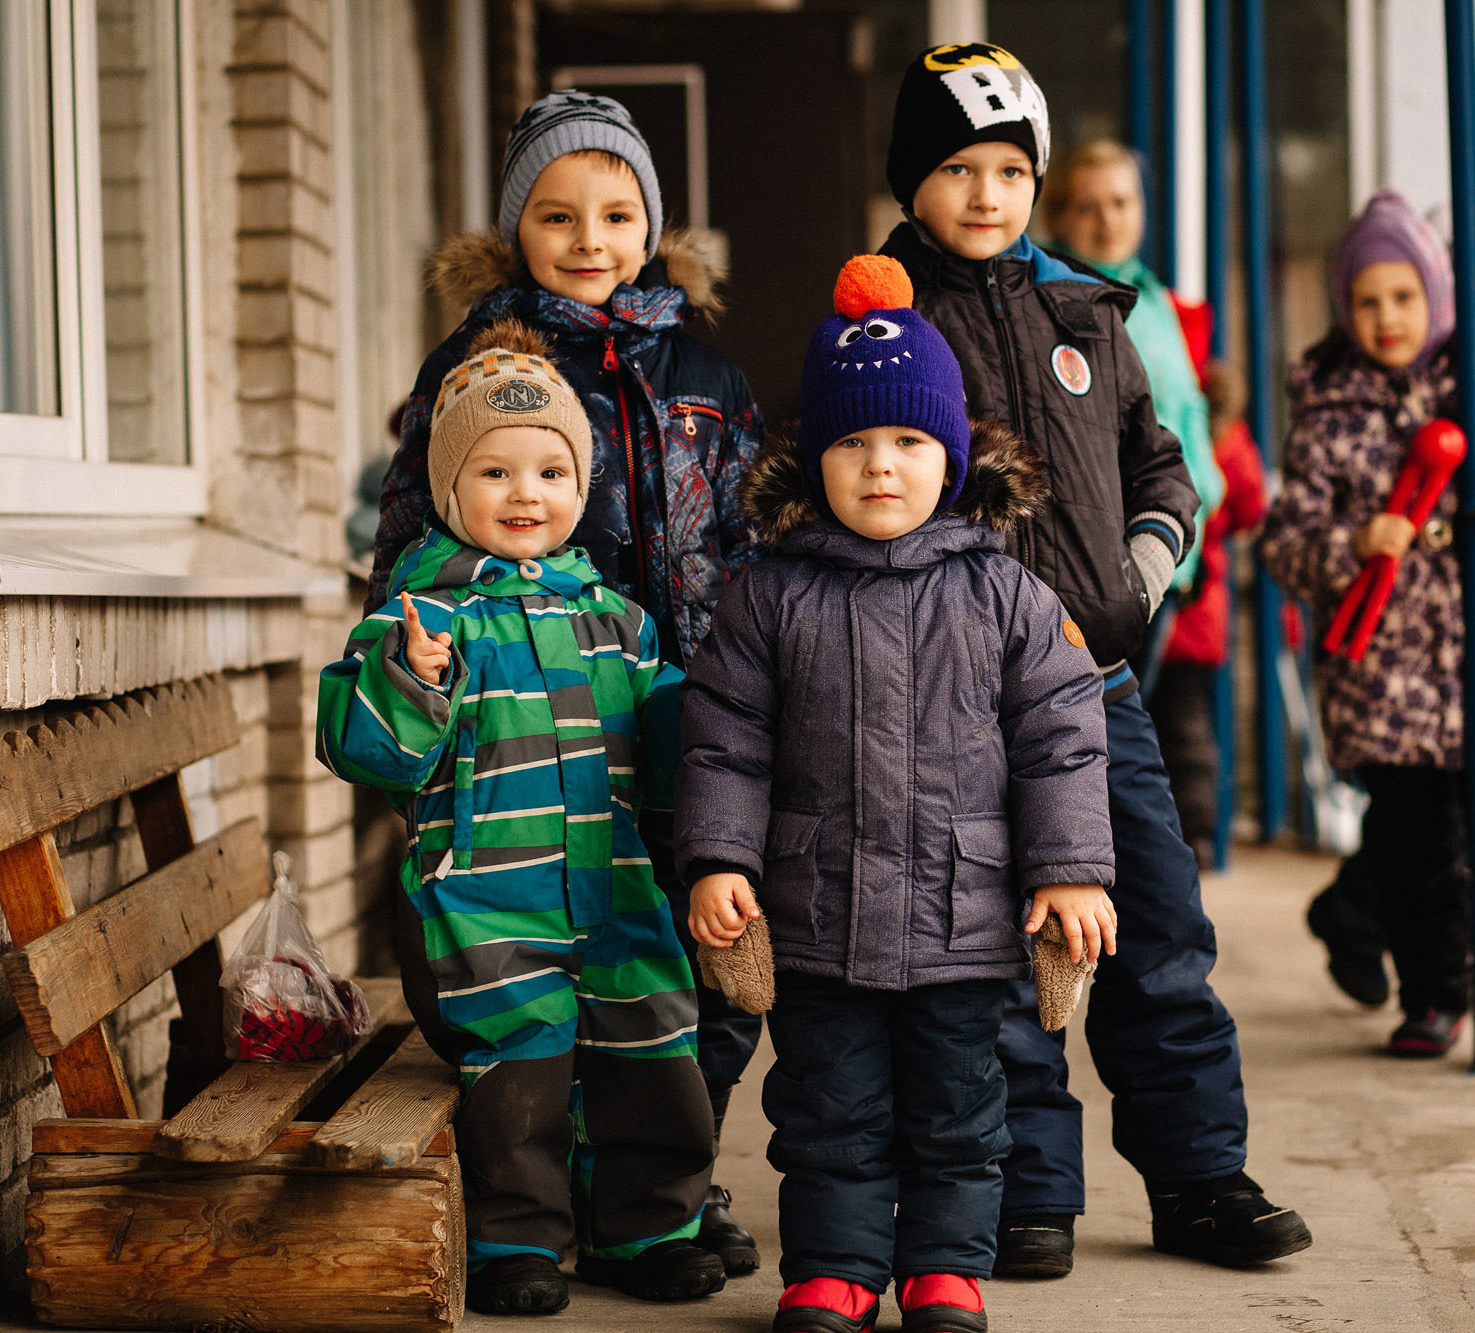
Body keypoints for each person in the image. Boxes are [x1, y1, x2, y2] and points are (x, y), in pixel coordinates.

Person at [877, 41, 1311, 1275]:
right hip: (954, 705)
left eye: (1007, 169)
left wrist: (1144, 562)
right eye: (954, 168)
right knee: (1001, 958)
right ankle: (1027, 1193)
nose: (982, 194)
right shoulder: (885, 318)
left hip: (1098, 687)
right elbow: (849, 488)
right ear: (910, 182)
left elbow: (1161, 461)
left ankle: (1197, 1177)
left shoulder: (1086, 310)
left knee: (1155, 932)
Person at [365, 89, 768, 1273]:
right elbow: (413, 520)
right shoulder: (479, 360)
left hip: (672, 694)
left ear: (651, 221)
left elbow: (748, 530)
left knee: (682, 958)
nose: (589, 239)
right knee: (537, 962)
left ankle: (657, 1187)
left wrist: (750, 677)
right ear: (515, 228)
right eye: (557, 215)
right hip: (518, 711)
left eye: (615, 212)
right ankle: (566, 1194)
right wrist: (421, 646)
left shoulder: (702, 364)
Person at [677, 254, 1119, 1333]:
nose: (882, 467)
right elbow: (723, 739)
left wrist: (1066, 869)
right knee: (827, 1109)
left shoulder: (1005, 592)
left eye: (910, 442)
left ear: (953, 456)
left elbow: (1061, 737)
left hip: (964, 922)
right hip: (818, 915)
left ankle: (942, 1267)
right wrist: (719, 860)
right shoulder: (768, 596)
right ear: (813, 459)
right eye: (854, 443)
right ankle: (832, 1267)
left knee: (961, 1110)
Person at [318, 323, 724, 1315]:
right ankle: (515, 1239)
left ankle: (648, 1229)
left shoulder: (614, 618)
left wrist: (718, 713)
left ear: (578, 487)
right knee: (518, 1074)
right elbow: (364, 750)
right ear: (451, 488)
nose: (524, 494)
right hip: (483, 899)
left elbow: (670, 738)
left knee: (652, 1049)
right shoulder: (426, 616)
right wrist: (410, 681)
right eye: (493, 472)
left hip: (616, 885)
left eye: (549, 470)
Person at [1261, 190, 1475, 1056]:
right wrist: (1352, 543)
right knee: (1416, 839)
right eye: (1367, 301)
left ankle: (1385, 925)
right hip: (1384, 674)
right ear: (1344, 307)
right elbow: (1286, 542)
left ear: (1438, 299)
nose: (1386, 318)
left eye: (1404, 298)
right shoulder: (1327, 406)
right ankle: (1438, 995)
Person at [1040, 140, 1226, 631]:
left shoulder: (1155, 297)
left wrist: (1210, 490)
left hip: (1182, 539)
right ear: (1056, 217)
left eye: (1122, 202)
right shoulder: (1061, 303)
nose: (1109, 221)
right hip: (1120, 548)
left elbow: (1183, 411)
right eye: (1088, 207)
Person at [1152, 360, 1267, 867]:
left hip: (1174, 609)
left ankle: (1184, 834)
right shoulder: (1229, 443)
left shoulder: (1166, 433)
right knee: (1189, 732)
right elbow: (1250, 506)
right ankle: (1196, 833)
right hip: (1202, 620)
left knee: (1162, 730)